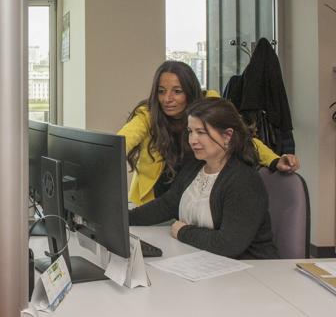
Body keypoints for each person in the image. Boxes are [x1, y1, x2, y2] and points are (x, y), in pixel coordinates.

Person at [117, 61, 300, 206]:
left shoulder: (208, 106)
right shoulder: (148, 114)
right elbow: (123, 140)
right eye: (161, 92)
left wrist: (275, 160)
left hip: (196, 203)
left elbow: (242, 137)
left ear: (190, 92)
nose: (167, 99)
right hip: (156, 204)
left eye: (177, 92)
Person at [129, 98, 279, 259]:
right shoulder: (195, 165)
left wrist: (182, 231)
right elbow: (167, 204)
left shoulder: (244, 181)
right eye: (190, 131)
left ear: (227, 135)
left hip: (251, 271)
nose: (193, 140)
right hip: (205, 261)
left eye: (201, 132)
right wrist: (125, 218)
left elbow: (228, 244)